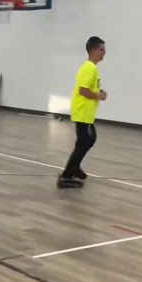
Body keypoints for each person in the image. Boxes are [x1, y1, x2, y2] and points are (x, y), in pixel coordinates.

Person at [58, 36, 107, 189]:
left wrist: (99, 91)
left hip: (86, 113)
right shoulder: (89, 68)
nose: (104, 52)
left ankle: (74, 168)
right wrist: (99, 96)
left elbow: (89, 87)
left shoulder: (92, 68)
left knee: (88, 140)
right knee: (84, 142)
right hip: (82, 112)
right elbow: (83, 91)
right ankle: (67, 175)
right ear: (93, 50)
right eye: (102, 49)